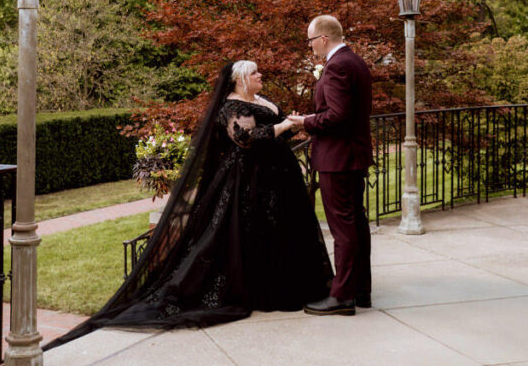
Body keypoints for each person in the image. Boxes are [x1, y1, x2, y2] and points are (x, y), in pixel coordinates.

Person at [46, 61, 333, 347]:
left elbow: (275, 131)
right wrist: (283, 125)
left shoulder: (262, 101)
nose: (261, 75)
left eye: (259, 70)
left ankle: (284, 286)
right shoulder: (232, 106)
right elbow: (244, 139)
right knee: (247, 232)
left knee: (279, 230)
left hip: (278, 178)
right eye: (254, 73)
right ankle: (257, 291)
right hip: (250, 181)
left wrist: (292, 124)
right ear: (240, 80)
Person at [288, 15, 373, 316]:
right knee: (357, 224)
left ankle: (342, 297)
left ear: (323, 38)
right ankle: (361, 291)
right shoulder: (356, 61)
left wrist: (305, 121)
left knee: (343, 228)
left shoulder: (337, 66)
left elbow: (337, 116)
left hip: (338, 158)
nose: (309, 46)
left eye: (310, 40)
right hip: (353, 156)